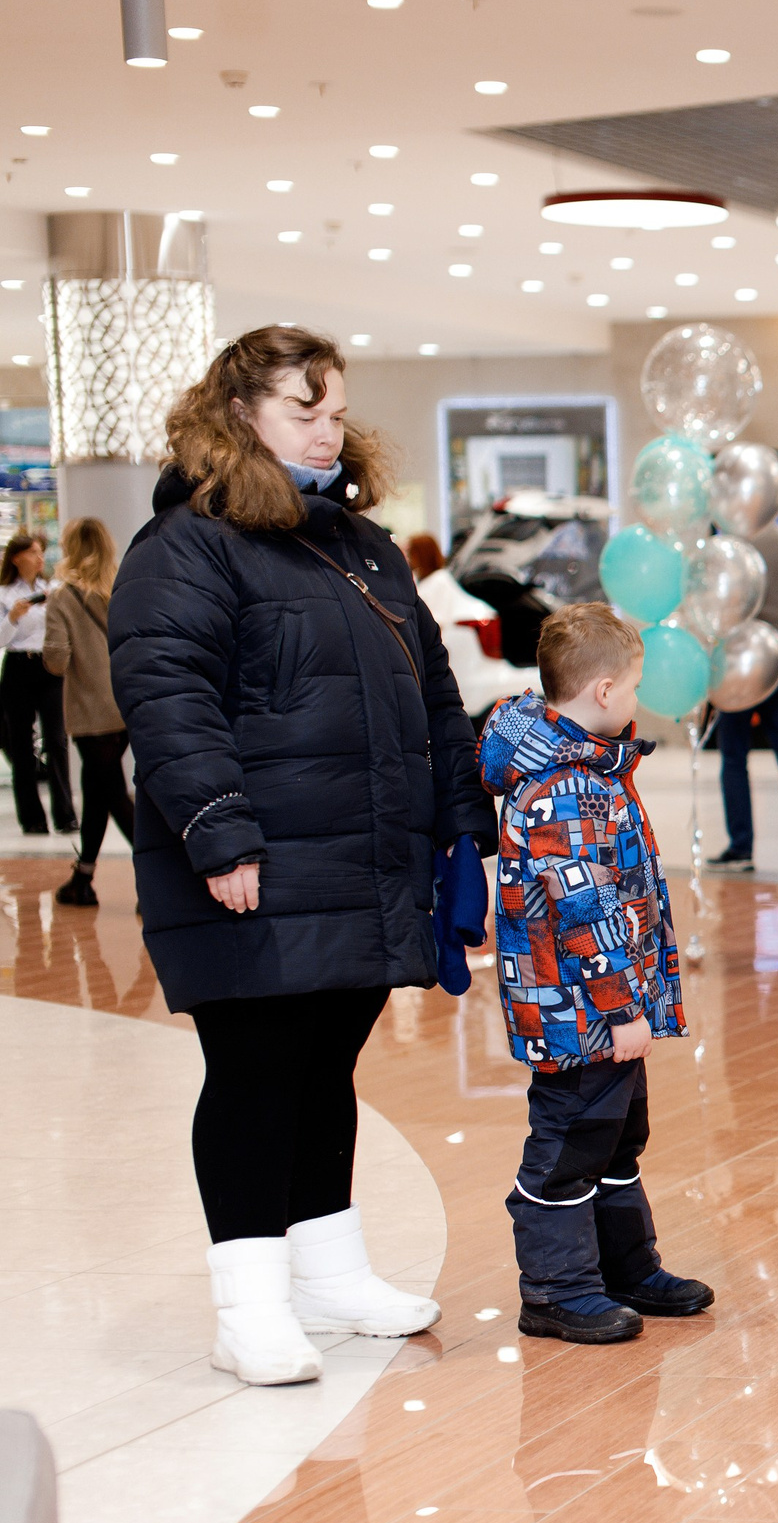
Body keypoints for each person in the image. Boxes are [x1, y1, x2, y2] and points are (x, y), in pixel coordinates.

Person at [110, 324, 492, 1386]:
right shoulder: (187, 543)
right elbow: (167, 694)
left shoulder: (358, 542)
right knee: (256, 1071)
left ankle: (331, 1269)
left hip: (364, 854)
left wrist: (464, 816)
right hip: (258, 858)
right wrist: (219, 827)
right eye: (303, 411)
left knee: (330, 1063)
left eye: (333, 410)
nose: (330, 429)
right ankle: (251, 1303)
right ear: (240, 415)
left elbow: (432, 684)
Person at [480, 602, 710, 1344]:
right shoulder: (566, 784)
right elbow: (585, 911)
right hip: (577, 1008)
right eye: (636, 686)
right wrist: (622, 1008)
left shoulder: (586, 765)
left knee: (616, 1136)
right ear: (605, 691)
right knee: (571, 1142)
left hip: (593, 1006)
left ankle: (625, 1269)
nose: (640, 700)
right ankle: (555, 1288)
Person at [705, 521, 778, 874]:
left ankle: (742, 849)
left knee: (735, 753)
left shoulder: (728, 546)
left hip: (739, 656)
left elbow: (713, 603)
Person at [42, 518, 135, 906]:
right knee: (98, 792)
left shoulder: (62, 597)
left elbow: (56, 660)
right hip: (123, 705)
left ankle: (161, 874)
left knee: (113, 793)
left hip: (89, 711)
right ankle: (82, 879)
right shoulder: (122, 587)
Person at [2, 529, 76, 836]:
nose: (39, 557)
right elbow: (2, 640)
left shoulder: (53, 588)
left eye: (41, 551)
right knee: (21, 746)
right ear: (17, 558)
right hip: (18, 666)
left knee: (56, 741)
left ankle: (65, 815)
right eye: (33, 552)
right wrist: (13, 618)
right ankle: (32, 819)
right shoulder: (5, 593)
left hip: (49, 668)